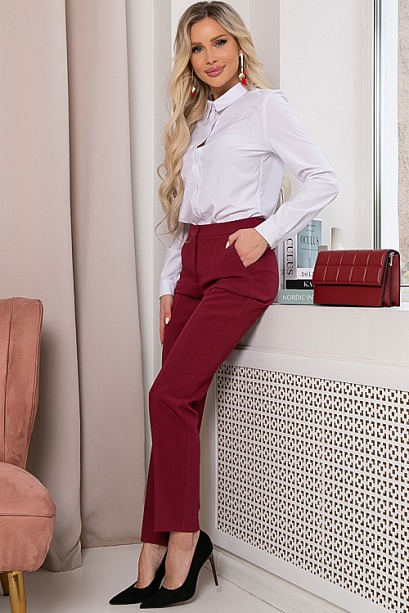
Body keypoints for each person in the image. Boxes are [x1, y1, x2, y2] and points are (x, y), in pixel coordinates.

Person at [110, 1, 338, 608]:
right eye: (196, 47)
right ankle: (151, 548)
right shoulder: (198, 121)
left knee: (168, 395)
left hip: (240, 265)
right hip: (192, 268)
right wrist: (169, 282)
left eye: (219, 42)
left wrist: (267, 232)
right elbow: (188, 220)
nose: (209, 56)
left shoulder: (266, 107)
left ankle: (183, 543)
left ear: (238, 47)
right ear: (187, 58)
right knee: (172, 405)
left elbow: (323, 178)